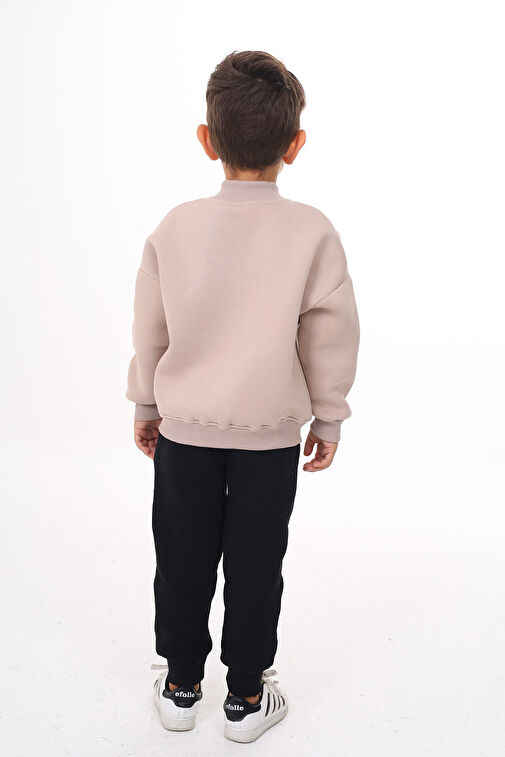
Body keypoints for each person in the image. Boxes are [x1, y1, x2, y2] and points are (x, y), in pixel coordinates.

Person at [126, 49, 360, 743]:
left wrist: (146, 403)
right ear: (296, 144)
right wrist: (329, 415)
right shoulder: (311, 230)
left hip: (185, 431)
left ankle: (179, 686)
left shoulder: (176, 227)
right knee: (258, 563)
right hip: (269, 435)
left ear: (207, 140)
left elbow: (150, 327)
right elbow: (330, 331)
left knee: (181, 557)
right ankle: (246, 697)